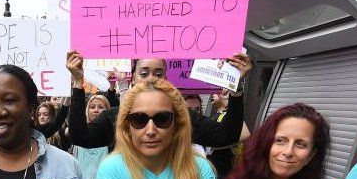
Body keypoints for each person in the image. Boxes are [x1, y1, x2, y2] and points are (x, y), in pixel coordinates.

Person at [65, 51, 252, 152]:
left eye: (158, 74)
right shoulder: (116, 116)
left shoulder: (181, 116)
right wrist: (78, 82)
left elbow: (225, 136)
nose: (151, 79)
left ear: (166, 79)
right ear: (133, 78)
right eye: (144, 73)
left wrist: (236, 86)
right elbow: (80, 136)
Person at [69, 93, 112, 179]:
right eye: (92, 107)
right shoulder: (78, 136)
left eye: (101, 107)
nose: (96, 110)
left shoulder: (113, 137)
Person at [207, 89, 251, 179]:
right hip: (214, 173)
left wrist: (211, 145)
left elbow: (245, 134)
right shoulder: (217, 116)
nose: (214, 95)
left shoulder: (230, 116)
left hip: (227, 173)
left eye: (220, 92)